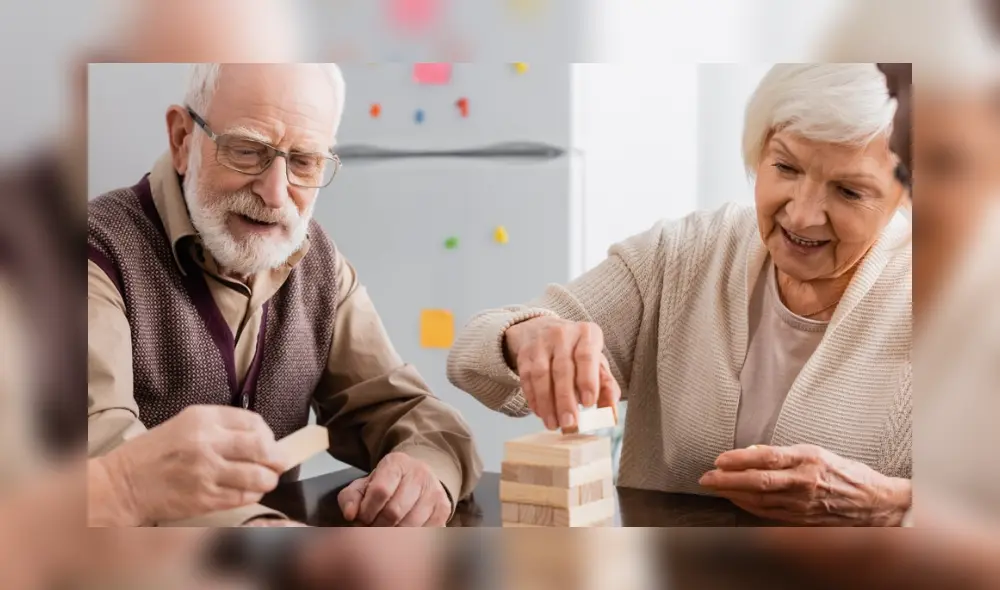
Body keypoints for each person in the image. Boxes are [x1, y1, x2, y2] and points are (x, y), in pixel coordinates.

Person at [448, 63, 912, 526]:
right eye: (785, 167)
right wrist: (526, 336)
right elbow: (473, 355)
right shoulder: (685, 254)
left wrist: (892, 506)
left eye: (850, 191)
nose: (804, 214)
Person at [88, 63, 483, 527]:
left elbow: (403, 408)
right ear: (181, 140)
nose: (276, 195)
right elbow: (102, 450)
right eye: (247, 150)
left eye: (303, 161)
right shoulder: (94, 252)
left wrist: (423, 474)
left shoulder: (316, 263)